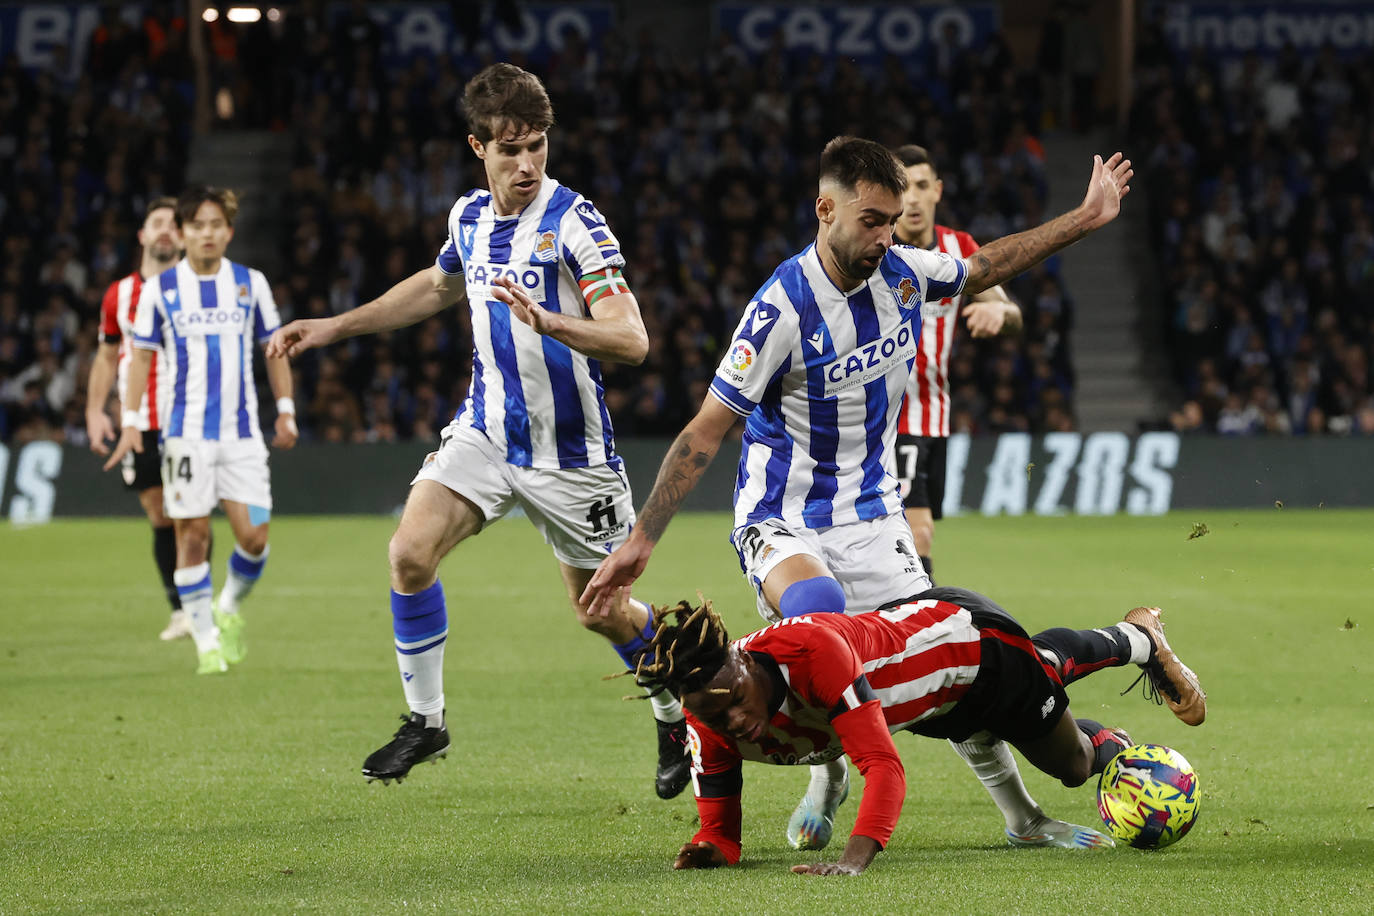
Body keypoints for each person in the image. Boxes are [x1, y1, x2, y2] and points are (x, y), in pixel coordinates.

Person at [583, 137, 1134, 850]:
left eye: (893, 219)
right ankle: (829, 774)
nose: (885, 235)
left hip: (875, 514)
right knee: (820, 620)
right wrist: (641, 541)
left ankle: (1021, 818)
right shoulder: (782, 308)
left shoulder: (905, 275)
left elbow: (985, 265)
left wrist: (1086, 218)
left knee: (947, 680)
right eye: (871, 220)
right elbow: (704, 431)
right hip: (783, 517)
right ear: (825, 208)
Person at [265, 63, 690, 796]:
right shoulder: (467, 217)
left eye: (538, 146)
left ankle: (670, 707)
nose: (527, 164)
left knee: (603, 613)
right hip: (487, 433)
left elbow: (634, 340)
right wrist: (333, 327)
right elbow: (435, 288)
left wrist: (553, 320)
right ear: (477, 147)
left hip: (572, 457)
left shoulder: (575, 224)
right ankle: (426, 721)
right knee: (408, 552)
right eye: (509, 149)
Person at [629, 592, 1205, 875]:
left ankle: (1138, 641)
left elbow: (883, 767)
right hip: (932, 709)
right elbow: (720, 830)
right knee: (1022, 711)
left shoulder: (813, 654)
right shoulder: (710, 718)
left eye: (734, 703)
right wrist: (712, 848)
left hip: (971, 650)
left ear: (743, 663)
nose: (732, 721)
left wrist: (854, 860)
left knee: (1075, 764)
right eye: (712, 715)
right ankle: (1076, 718)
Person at [104, 186, 298, 674]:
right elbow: (140, 358)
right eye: (197, 225)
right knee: (190, 534)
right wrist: (129, 422)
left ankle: (226, 606)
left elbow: (274, 350)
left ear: (228, 232)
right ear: (184, 233)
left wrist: (287, 410)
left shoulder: (250, 284)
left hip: (242, 438)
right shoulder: (159, 291)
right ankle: (206, 642)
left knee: (254, 537)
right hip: (184, 436)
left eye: (216, 225)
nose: (207, 233)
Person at [891, 145, 1023, 580]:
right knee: (917, 532)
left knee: (907, 535)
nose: (912, 198)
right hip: (884, 415)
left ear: (938, 191)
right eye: (903, 187)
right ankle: (917, 626)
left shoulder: (959, 248)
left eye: (922, 186)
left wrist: (999, 313)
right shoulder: (877, 249)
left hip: (934, 418)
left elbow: (1015, 316)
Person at [85, 196, 192, 641]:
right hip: (141, 419)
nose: (166, 230)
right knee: (159, 512)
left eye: (174, 224)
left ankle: (197, 605)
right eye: (157, 223)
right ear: (143, 236)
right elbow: (107, 355)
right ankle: (180, 609)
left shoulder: (199, 288)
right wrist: (94, 410)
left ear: (184, 237)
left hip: (188, 416)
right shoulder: (118, 294)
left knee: (189, 513)